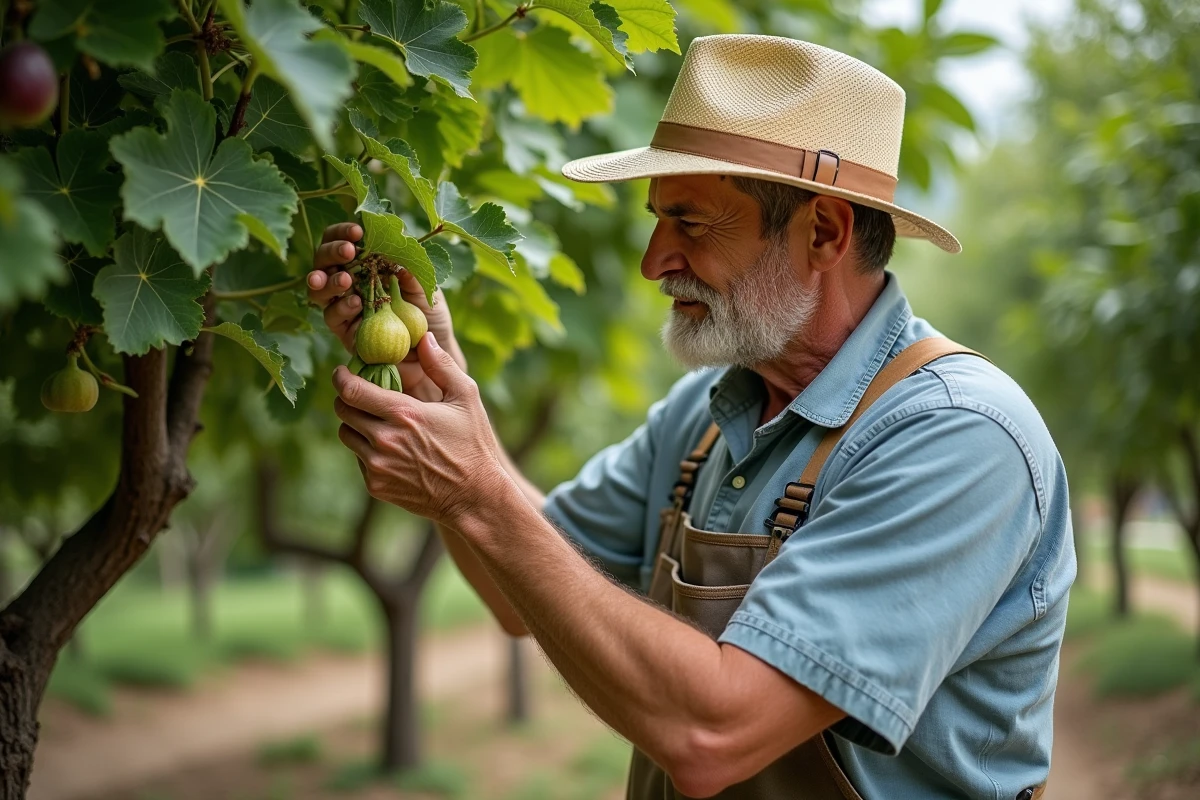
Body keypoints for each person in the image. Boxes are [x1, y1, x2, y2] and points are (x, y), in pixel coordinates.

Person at [307, 35, 1073, 800]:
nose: (653, 261)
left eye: (692, 223)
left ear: (825, 232)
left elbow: (715, 733)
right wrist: (437, 391)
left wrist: (476, 491)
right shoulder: (705, 414)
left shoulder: (960, 437)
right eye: (656, 220)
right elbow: (522, 587)